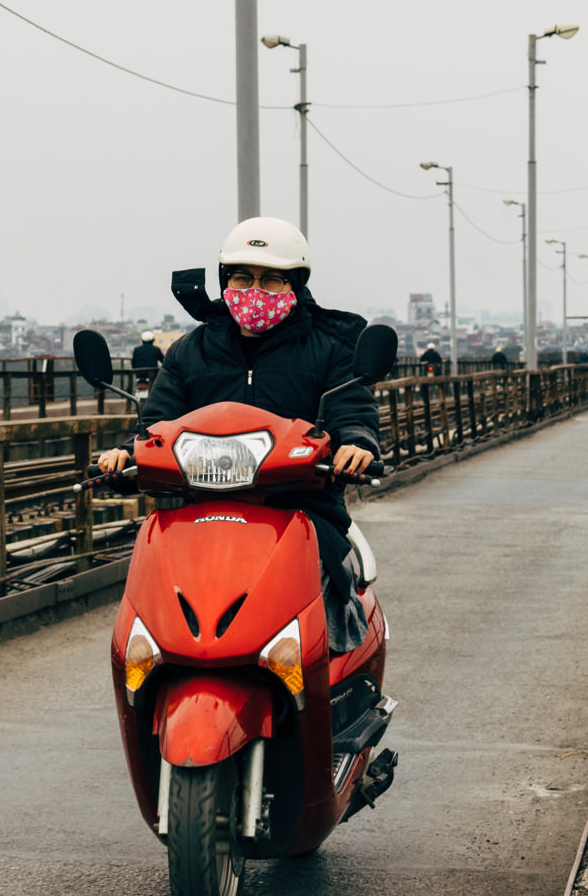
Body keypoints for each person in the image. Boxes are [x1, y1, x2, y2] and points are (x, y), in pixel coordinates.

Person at [95, 217, 381, 650]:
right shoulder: (191, 351)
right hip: (201, 504)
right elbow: (156, 423)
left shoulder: (329, 348)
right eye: (243, 278)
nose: (255, 291)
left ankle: (328, 694)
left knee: (325, 608)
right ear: (225, 282)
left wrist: (356, 443)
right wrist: (125, 454)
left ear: (296, 286)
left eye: (272, 280)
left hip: (298, 503)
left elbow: (350, 408)